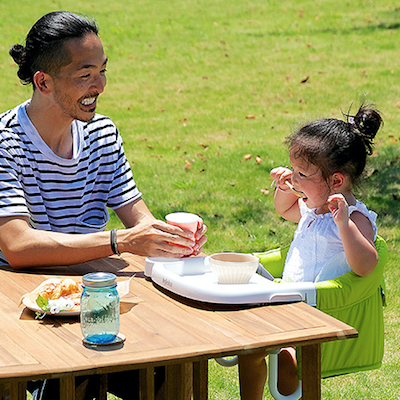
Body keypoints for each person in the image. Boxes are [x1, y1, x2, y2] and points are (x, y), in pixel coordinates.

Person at [0, 11, 207, 400]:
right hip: (27, 306)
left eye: (103, 70)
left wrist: (171, 237)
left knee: (178, 371)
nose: (101, 85)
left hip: (99, 296)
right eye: (85, 75)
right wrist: (120, 242)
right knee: (75, 377)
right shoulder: (5, 143)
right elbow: (16, 247)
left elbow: (138, 219)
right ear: (43, 82)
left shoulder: (102, 133)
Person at [238, 104, 383, 399]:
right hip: (288, 303)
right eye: (293, 171)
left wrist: (343, 225)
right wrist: (283, 188)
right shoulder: (314, 207)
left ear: (337, 181)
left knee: (287, 360)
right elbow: (286, 209)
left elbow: (367, 265)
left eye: (301, 174)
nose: (295, 179)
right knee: (249, 347)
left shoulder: (354, 218)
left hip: (320, 313)